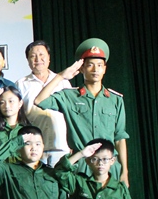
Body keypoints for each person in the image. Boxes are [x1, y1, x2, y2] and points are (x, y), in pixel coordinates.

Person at [34, 38, 130, 186]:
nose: (95, 69)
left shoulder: (115, 100)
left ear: (105, 69)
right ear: (82, 69)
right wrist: (60, 76)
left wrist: (124, 171)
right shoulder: (69, 96)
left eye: (99, 65)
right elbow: (39, 101)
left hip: (109, 167)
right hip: (82, 165)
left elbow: (119, 138)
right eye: (90, 65)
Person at [15, 41, 73, 166]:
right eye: (33, 56)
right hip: (33, 150)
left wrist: (72, 142)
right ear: (28, 60)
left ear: (49, 58)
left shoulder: (63, 82)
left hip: (62, 147)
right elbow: (17, 117)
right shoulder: (21, 84)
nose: (38, 59)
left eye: (42, 55)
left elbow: (71, 114)